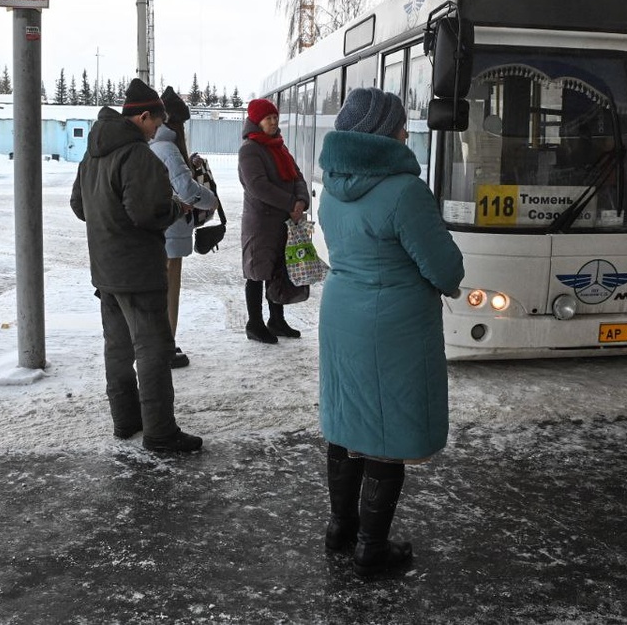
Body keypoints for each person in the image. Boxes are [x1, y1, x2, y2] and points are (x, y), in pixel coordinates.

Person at [316, 87, 465, 579]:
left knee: (348, 424)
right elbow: (445, 269)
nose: (407, 132)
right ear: (382, 132)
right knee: (384, 432)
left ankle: (341, 529)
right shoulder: (403, 191)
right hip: (392, 324)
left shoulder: (333, 184)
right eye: (400, 124)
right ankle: (370, 549)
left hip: (342, 314)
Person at [70, 78, 203, 453]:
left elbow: (80, 206)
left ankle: (126, 420)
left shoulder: (93, 153)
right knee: (154, 350)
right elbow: (149, 212)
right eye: (157, 123)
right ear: (143, 116)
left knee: (117, 348)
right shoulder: (136, 155)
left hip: (106, 269)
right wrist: (178, 206)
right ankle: (160, 432)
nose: (159, 131)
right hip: (138, 271)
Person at [150, 86, 219, 368]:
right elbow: (186, 189)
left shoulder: (155, 146)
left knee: (161, 291)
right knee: (170, 292)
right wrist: (211, 200)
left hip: (162, 230)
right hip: (172, 231)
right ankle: (166, 346)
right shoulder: (168, 148)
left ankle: (161, 343)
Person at [237, 98, 310, 344]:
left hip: (282, 220)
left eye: (275, 117)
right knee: (257, 273)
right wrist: (291, 204)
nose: (273, 121)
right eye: (268, 118)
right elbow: (258, 186)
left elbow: (297, 175)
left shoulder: (279, 145)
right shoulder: (250, 149)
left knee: (277, 270)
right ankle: (254, 323)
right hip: (261, 223)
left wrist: (300, 200)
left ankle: (276, 320)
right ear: (256, 121)